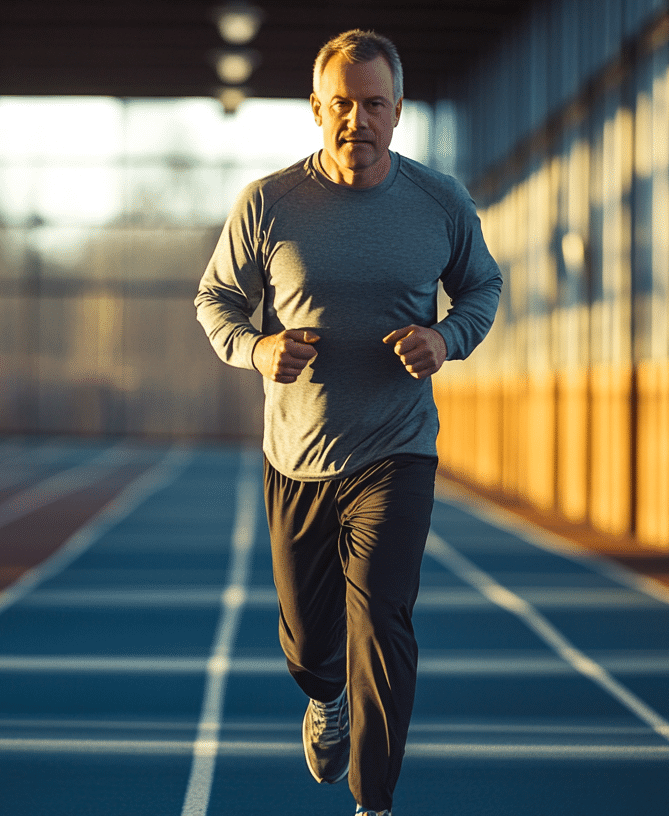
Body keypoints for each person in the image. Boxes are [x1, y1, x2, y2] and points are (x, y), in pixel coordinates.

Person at [194, 29, 502, 816]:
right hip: (296, 455)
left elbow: (481, 290)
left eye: (373, 105)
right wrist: (258, 349)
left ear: (397, 111)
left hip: (397, 450)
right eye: (341, 103)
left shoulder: (439, 202)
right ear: (315, 108)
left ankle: (375, 802)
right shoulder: (269, 203)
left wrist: (444, 337)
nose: (356, 120)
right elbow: (216, 301)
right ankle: (321, 696)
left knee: (383, 622)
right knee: (310, 646)